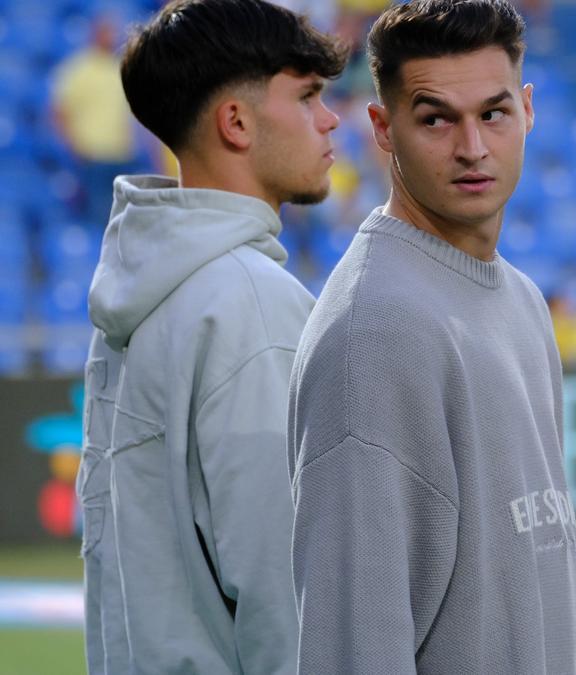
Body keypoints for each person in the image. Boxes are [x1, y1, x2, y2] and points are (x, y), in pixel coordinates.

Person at [287, 1, 576, 673]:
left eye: (493, 113)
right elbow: (352, 649)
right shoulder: (373, 333)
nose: (473, 147)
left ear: (529, 110)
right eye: (435, 119)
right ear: (382, 127)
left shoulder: (520, 296)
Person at [78, 1, 346, 672]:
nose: (330, 117)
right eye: (308, 94)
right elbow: (285, 600)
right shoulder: (252, 304)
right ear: (236, 122)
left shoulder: (138, 293)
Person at [50, 15, 139, 226]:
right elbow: (58, 111)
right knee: (100, 216)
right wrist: (73, 147)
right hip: (93, 156)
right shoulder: (79, 69)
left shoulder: (121, 67)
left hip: (123, 154)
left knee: (122, 217)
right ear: (95, 35)